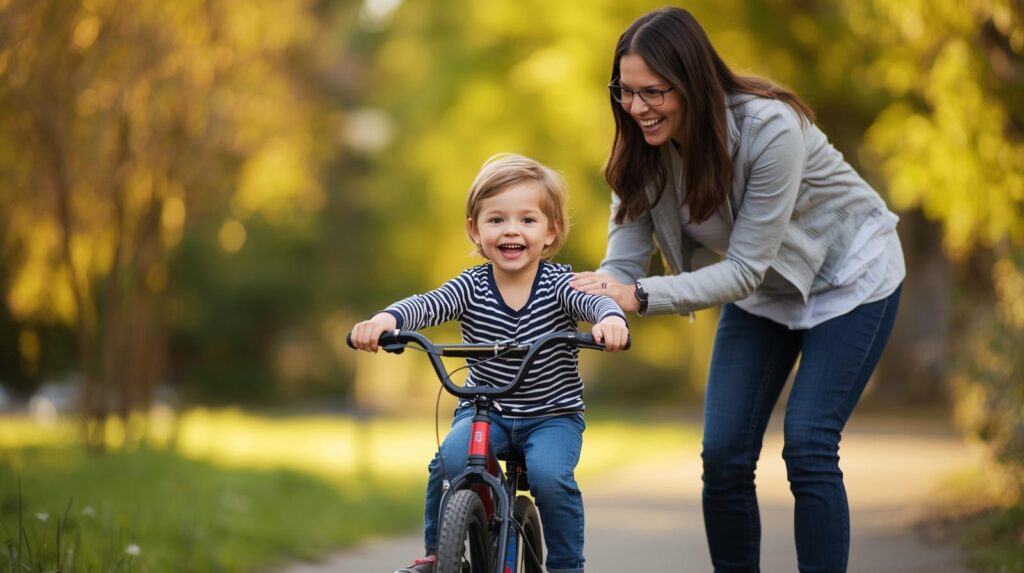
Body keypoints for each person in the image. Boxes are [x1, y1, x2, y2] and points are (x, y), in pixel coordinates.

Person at [570, 7, 904, 573]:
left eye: (653, 92)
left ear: (692, 82)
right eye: (625, 92)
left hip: (851, 277)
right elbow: (621, 267)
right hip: (768, 291)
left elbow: (743, 268)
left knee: (808, 443)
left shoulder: (770, 128)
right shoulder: (641, 154)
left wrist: (640, 297)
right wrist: (602, 307)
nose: (637, 107)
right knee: (724, 456)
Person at [351, 153, 629, 573]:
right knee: (449, 460)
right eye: (496, 219)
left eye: (527, 220)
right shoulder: (471, 286)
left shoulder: (560, 284)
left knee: (550, 477)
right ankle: (439, 555)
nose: (511, 230)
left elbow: (595, 303)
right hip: (486, 410)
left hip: (551, 416)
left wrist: (611, 321)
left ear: (551, 231)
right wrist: (385, 320)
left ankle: (567, 565)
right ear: (475, 231)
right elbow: (427, 304)